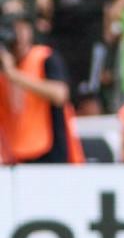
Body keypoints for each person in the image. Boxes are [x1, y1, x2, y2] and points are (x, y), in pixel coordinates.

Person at [0, 9, 82, 164]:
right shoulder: (4, 64)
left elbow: (60, 94)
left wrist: (14, 75)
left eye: (22, 29)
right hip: (13, 154)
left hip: (49, 153)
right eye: (13, 30)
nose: (18, 36)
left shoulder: (44, 57)